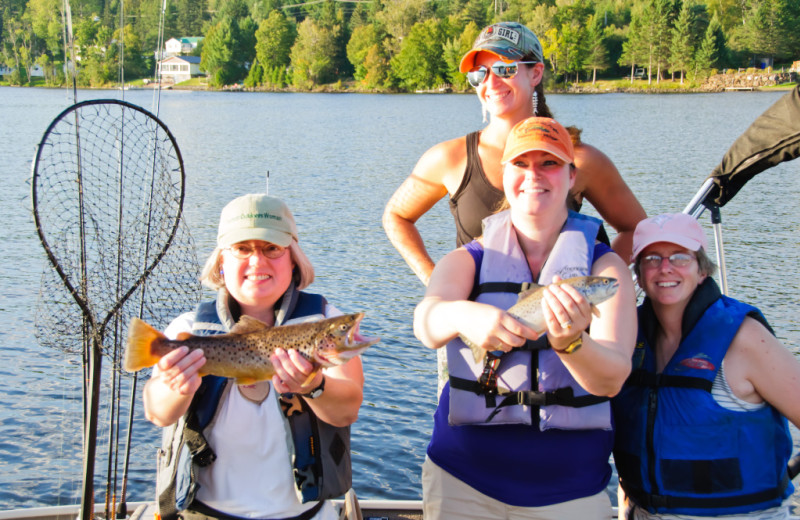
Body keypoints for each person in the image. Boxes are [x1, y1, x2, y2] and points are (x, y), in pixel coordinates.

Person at [413, 117, 637, 519]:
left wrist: (571, 342)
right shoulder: (467, 260)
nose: (534, 175)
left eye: (549, 163)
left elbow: (612, 377)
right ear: (504, 176)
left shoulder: (607, 270)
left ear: (572, 177)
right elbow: (425, 324)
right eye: (521, 163)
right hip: (461, 483)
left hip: (570, 493)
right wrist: (466, 315)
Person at [143, 194, 364, 520]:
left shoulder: (323, 324)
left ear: (293, 258)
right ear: (221, 261)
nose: (257, 261)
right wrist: (178, 388)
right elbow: (156, 412)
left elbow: (347, 409)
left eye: (271, 248)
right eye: (242, 249)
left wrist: (313, 385)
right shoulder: (187, 330)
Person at [383, 21, 646, 288]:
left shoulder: (578, 159)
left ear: (535, 74)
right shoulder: (449, 158)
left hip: (562, 325)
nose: (491, 82)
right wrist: (435, 280)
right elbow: (395, 216)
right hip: (479, 326)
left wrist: (594, 285)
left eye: (504, 69)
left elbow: (637, 230)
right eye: (479, 73)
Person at [612, 213, 800, 519]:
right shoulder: (628, 337)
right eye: (652, 259)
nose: (665, 268)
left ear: (702, 270)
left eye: (680, 257)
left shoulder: (744, 338)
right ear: (639, 273)